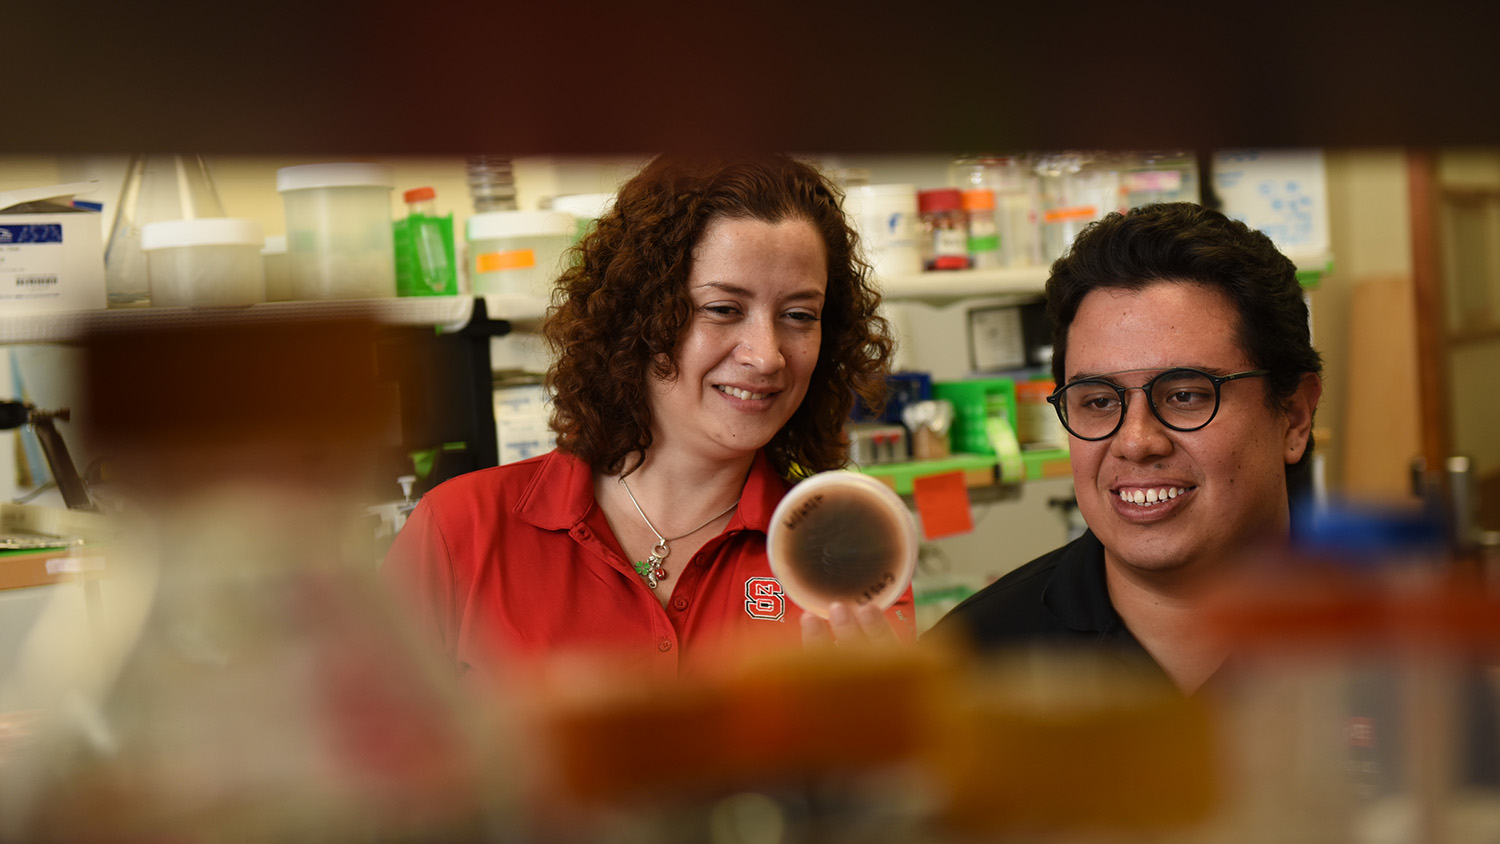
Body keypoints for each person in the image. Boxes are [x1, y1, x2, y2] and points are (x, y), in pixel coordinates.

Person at [381, 154, 914, 687]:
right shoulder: (459, 530)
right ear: (640, 316)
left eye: (799, 315)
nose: (767, 355)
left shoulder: (848, 555)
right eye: (724, 309)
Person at [926, 202, 1323, 695]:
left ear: (1294, 417)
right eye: (1097, 401)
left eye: (1185, 395)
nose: (1136, 442)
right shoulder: (970, 663)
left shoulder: (1410, 649)